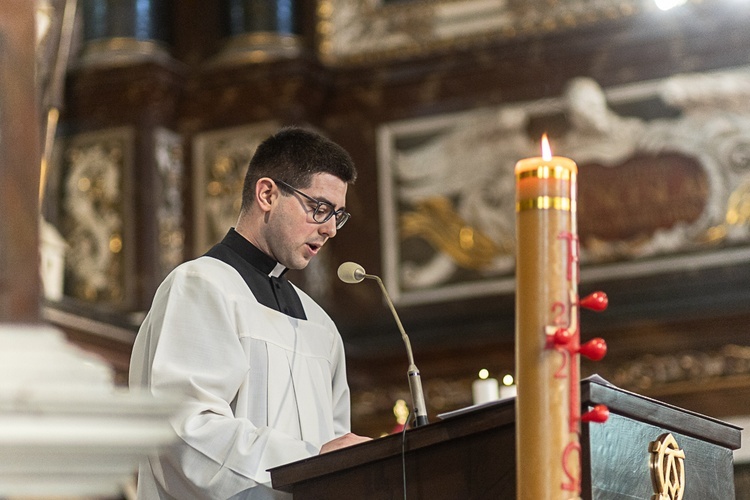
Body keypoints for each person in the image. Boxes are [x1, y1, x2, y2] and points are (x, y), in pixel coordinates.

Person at [129, 126, 371, 499]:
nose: (329, 230)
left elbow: (336, 452)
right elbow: (183, 430)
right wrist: (309, 460)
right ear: (267, 194)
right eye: (320, 208)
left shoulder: (320, 326)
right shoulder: (201, 286)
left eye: (337, 216)